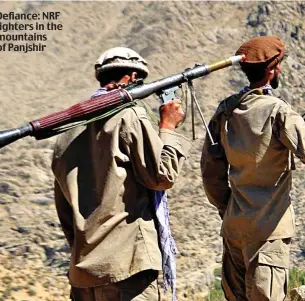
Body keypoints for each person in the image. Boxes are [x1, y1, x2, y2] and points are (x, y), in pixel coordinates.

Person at [52, 47, 192, 301]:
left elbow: (65, 212)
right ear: (131, 78)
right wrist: (168, 127)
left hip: (85, 276)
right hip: (127, 271)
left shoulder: (66, 134)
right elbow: (162, 176)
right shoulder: (129, 116)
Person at [200, 36, 305, 301]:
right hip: (268, 234)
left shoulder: (225, 111)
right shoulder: (278, 112)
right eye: (278, 65)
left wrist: (229, 210)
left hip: (234, 231)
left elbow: (210, 173)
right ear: (272, 69)